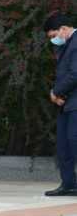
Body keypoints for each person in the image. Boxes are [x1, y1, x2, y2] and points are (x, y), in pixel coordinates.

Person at [43, 13, 77, 196]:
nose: (53, 40)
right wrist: (57, 95)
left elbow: (74, 74)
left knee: (74, 142)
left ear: (63, 29)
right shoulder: (66, 45)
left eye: (53, 36)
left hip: (74, 103)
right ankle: (69, 183)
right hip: (66, 103)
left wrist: (55, 92)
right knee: (64, 145)